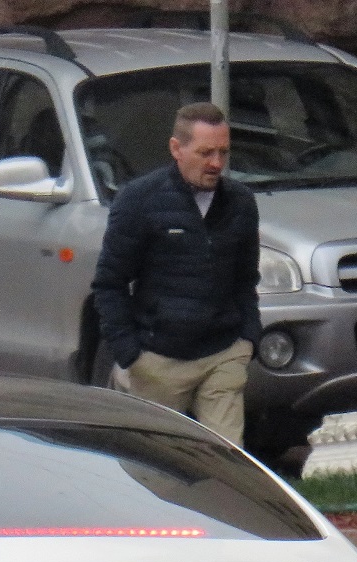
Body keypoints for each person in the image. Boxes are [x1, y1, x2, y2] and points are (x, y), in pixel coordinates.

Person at [91, 102, 260, 451]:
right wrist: (130, 354)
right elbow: (109, 284)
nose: (216, 163)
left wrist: (248, 339)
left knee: (229, 464)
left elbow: (246, 279)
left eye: (223, 152)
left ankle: (220, 507)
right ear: (176, 149)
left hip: (223, 353)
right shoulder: (139, 200)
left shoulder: (240, 203)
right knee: (154, 468)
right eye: (205, 152)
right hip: (158, 360)